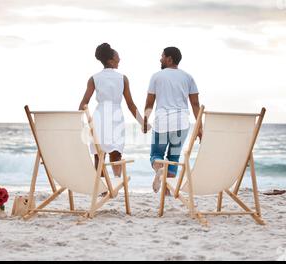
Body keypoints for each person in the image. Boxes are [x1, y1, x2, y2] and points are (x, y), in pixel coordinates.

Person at [79, 43, 145, 177]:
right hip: (116, 116)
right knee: (116, 153)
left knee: (99, 154)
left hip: (99, 117)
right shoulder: (123, 78)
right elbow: (130, 104)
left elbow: (83, 104)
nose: (119, 59)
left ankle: (102, 187)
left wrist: (76, 123)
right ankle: (116, 181)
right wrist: (142, 122)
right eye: (117, 57)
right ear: (110, 59)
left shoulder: (94, 78)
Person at [143, 46, 202, 192]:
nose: (160, 59)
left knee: (156, 154)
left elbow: (150, 103)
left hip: (162, 122)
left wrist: (145, 120)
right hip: (181, 123)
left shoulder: (156, 76)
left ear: (169, 59)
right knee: (173, 157)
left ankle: (159, 170)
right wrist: (200, 127)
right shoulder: (188, 77)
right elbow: (195, 104)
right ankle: (167, 191)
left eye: (162, 56)